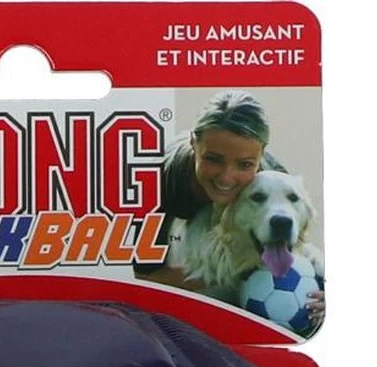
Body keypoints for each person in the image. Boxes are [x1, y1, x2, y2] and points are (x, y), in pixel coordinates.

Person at [137, 91, 325, 329]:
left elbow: (298, 240)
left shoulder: (273, 177)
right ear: (194, 144)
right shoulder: (156, 186)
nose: (227, 177)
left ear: (260, 155)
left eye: (245, 164)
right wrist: (230, 275)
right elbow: (141, 280)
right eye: (213, 159)